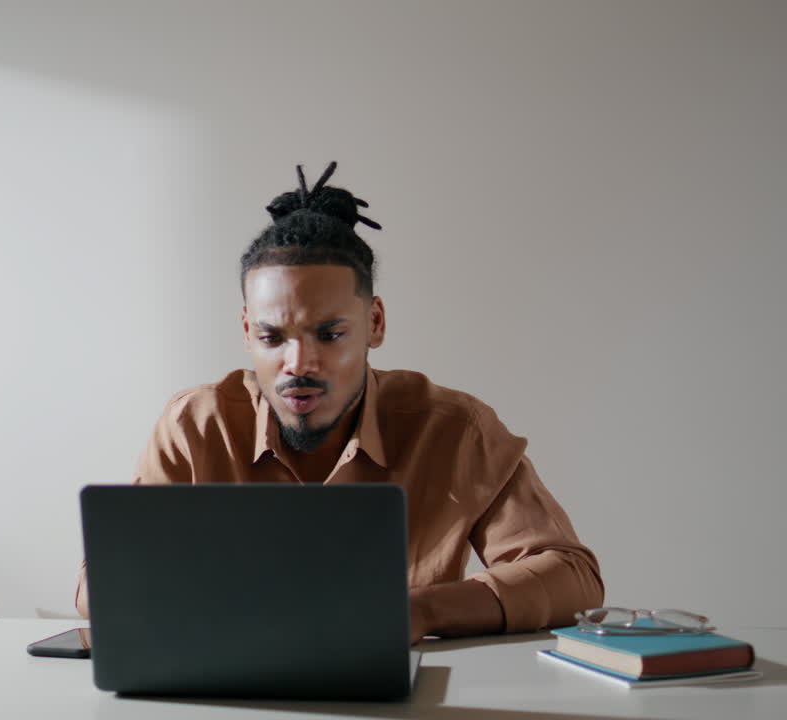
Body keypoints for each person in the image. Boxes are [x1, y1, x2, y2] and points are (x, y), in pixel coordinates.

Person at [75, 162, 603, 644]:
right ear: (245, 330)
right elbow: (100, 583)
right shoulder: (195, 425)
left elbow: (572, 576)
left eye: (329, 334)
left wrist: (420, 611)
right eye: (272, 336)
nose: (299, 363)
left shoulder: (456, 427)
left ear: (374, 323)